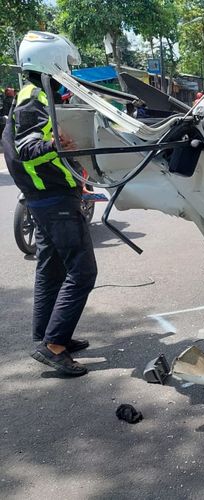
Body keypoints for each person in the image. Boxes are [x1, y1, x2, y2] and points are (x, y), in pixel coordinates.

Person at [2, 31, 96, 377]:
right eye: (66, 64)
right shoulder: (34, 97)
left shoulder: (33, 94)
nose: (68, 72)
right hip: (53, 198)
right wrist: (60, 143)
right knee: (83, 273)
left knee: (51, 270)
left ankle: (50, 336)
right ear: (50, 62)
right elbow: (28, 148)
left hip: (45, 199)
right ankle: (53, 346)